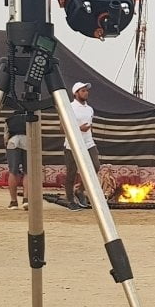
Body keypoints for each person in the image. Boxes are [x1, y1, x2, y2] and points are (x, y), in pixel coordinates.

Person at [63, 82, 100, 211]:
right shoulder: (70, 107)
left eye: (86, 90)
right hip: (72, 144)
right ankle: (70, 200)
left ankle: (80, 190)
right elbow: (63, 126)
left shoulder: (90, 109)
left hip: (88, 142)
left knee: (95, 166)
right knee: (71, 173)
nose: (86, 93)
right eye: (82, 91)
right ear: (76, 93)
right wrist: (79, 129)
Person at [4, 112, 28, 210]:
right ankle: (26, 199)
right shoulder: (31, 117)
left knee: (13, 172)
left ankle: (13, 202)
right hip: (28, 141)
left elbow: (5, 136)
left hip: (13, 142)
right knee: (28, 172)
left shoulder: (9, 120)